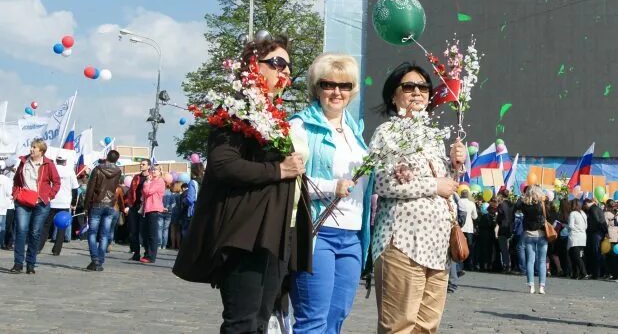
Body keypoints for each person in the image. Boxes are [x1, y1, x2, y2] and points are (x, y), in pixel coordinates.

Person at [173, 36, 312, 334]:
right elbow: (223, 165)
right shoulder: (236, 109)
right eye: (277, 63)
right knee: (243, 323)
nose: (285, 71)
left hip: (276, 233)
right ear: (253, 66)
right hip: (247, 233)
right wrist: (278, 169)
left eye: (289, 66)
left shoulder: (275, 117)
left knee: (262, 322)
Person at [370, 62, 466, 333]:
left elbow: (448, 187)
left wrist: (456, 164)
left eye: (423, 87)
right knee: (399, 326)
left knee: (427, 327)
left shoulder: (434, 137)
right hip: (403, 242)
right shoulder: (387, 133)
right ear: (393, 95)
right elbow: (382, 182)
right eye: (408, 86)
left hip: (437, 247)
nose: (417, 92)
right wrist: (433, 185)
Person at [289, 53, 373, 334]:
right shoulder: (299, 126)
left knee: (336, 318)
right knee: (312, 321)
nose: (337, 92)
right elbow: (291, 179)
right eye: (329, 84)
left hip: (352, 235)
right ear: (317, 87)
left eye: (345, 85)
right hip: (317, 232)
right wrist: (330, 187)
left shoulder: (354, 130)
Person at [11, 139, 61, 274]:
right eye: (31, 147)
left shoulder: (48, 164)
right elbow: (16, 179)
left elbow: (56, 182)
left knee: (35, 232)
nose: (32, 149)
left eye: (35, 148)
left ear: (42, 151)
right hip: (23, 201)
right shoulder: (23, 161)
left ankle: (31, 263)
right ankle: (18, 263)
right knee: (21, 231)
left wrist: (49, 196)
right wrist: (15, 193)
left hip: (40, 204)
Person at [84, 149, 123, 271]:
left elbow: (90, 188)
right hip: (110, 204)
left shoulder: (98, 169)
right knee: (104, 234)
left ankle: (95, 259)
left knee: (92, 232)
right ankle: (100, 261)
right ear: (116, 159)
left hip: (97, 203)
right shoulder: (118, 171)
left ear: (107, 157)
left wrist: (86, 206)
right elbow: (116, 187)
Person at [41, 154, 77, 255]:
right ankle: (57, 250)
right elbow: (75, 189)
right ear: (65, 161)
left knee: (46, 226)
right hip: (64, 203)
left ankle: (39, 247)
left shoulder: (51, 168)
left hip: (51, 201)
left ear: (56, 161)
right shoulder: (70, 171)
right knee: (62, 227)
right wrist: (73, 203)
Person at [518, 184, 550, 293]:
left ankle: (531, 286)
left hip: (528, 234)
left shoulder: (524, 204)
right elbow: (547, 216)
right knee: (542, 261)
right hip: (541, 234)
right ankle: (542, 287)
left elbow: (516, 205)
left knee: (530, 261)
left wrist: (523, 197)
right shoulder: (541, 204)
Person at [139, 164, 166, 264]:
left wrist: (147, 182)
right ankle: (146, 253)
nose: (153, 171)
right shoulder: (151, 181)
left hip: (154, 209)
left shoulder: (160, 181)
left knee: (152, 234)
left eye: (156, 170)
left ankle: (151, 256)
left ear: (160, 172)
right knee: (145, 233)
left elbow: (148, 192)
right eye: (152, 169)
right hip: (146, 209)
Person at [126, 159, 150, 261]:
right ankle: (136, 253)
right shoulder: (136, 177)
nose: (141, 165)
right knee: (133, 232)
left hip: (145, 207)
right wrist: (129, 204)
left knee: (145, 232)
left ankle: (147, 253)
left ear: (149, 166)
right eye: (141, 164)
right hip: (135, 207)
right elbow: (131, 191)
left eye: (143, 164)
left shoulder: (151, 178)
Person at [584, 196, 607, 279]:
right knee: (599, 253)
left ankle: (596, 274)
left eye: (585, 205)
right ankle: (601, 272)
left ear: (587, 203)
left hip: (595, 234)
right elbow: (602, 221)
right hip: (600, 233)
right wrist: (605, 232)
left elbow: (597, 221)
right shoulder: (598, 209)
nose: (585, 207)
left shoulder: (592, 210)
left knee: (595, 253)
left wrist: (590, 229)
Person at [567, 196, 588, 279]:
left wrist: (566, 226)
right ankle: (576, 273)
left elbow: (571, 226)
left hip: (575, 237)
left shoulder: (572, 214)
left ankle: (583, 272)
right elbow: (586, 226)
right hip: (583, 236)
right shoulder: (583, 213)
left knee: (575, 256)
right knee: (579, 255)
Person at [457, 187, 477, 270]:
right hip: (469, 227)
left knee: (458, 245)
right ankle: (469, 264)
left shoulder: (458, 202)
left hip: (460, 227)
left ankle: (458, 264)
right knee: (469, 247)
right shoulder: (471, 203)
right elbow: (475, 216)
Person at [496, 191, 514, 274]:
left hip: (503, 228)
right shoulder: (512, 204)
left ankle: (506, 265)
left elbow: (499, 218)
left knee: (504, 249)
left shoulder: (501, 205)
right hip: (510, 228)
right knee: (508, 248)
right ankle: (509, 264)